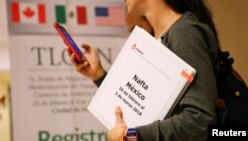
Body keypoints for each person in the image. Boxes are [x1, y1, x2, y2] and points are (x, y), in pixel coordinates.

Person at [67, 0, 220, 140]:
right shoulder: (158, 36)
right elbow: (141, 104)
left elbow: (200, 120)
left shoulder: (184, 33)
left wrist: (130, 136)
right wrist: (98, 74)